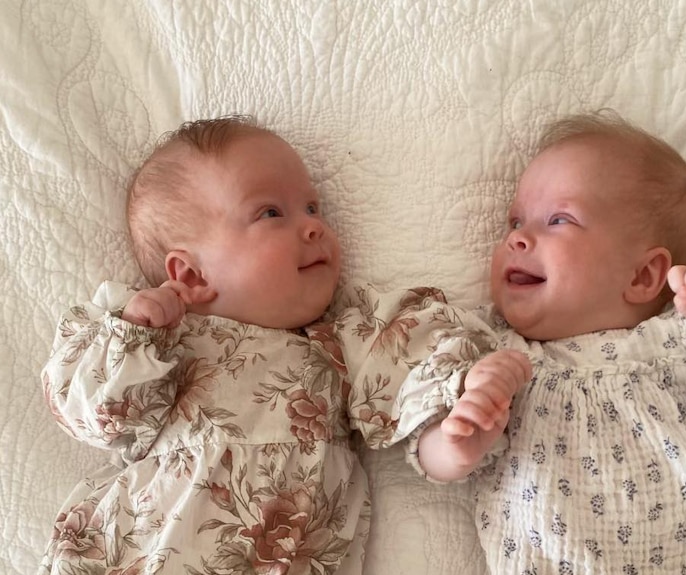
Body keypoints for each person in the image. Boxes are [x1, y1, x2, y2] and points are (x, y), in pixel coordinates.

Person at [37, 116, 531, 575]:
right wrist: (133, 330)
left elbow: (412, 398)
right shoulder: (167, 342)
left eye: (313, 207)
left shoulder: (346, 339)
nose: (314, 225)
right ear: (190, 273)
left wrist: (462, 424)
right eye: (271, 212)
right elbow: (91, 413)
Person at [409, 111, 686, 574]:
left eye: (558, 219)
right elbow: (427, 449)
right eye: (514, 221)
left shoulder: (679, 344)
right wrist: (459, 442)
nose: (518, 238)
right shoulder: (496, 356)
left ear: (642, 275)